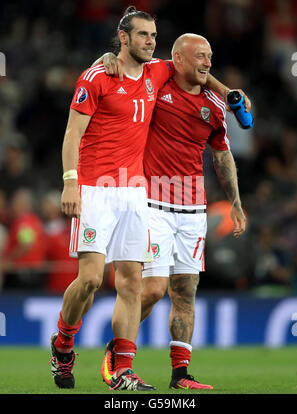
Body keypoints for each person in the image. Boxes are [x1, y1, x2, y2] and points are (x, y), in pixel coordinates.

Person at [50, 6, 249, 392]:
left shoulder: (158, 72)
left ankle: (121, 370)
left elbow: (199, 72)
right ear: (123, 38)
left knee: (133, 284)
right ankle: (63, 342)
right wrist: (70, 182)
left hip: (135, 192)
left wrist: (229, 94)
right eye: (142, 35)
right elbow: (72, 133)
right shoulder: (97, 76)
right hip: (95, 187)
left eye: (154, 36)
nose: (150, 42)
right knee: (90, 280)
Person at [101, 33, 247, 390]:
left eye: (210, 56)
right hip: (152, 204)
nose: (207, 62)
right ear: (178, 60)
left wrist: (237, 201)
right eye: (200, 56)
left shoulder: (214, 106)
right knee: (152, 289)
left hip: (193, 210)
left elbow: (222, 154)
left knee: (186, 290)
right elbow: (121, 69)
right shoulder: (155, 88)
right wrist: (104, 59)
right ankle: (118, 354)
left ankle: (181, 375)